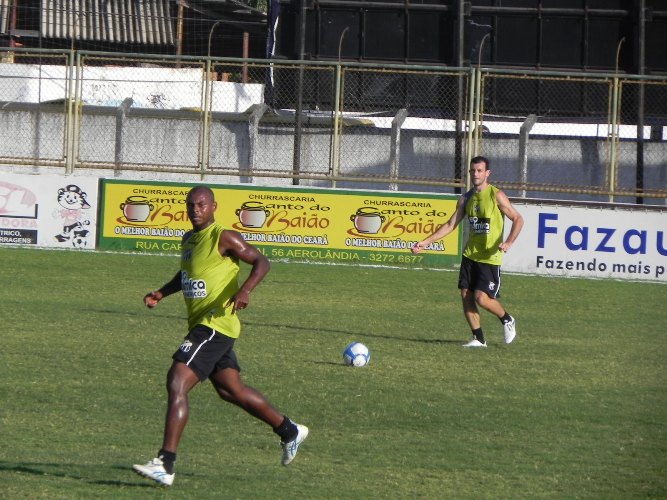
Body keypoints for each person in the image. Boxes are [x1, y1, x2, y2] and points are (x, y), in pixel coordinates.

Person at [133, 185, 308, 486]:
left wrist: (246, 289)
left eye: (201, 204)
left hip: (216, 324)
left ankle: (165, 462)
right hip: (202, 323)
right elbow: (187, 275)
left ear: (214, 207)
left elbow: (261, 262)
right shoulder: (189, 239)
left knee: (177, 380)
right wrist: (162, 292)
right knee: (230, 390)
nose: (195, 209)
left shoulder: (224, 237)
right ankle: (289, 430)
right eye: (190, 205)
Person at [411, 156, 524, 347]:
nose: (476, 174)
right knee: (466, 295)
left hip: (489, 257)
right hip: (470, 255)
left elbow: (518, 219)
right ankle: (479, 339)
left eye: (480, 170)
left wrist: (509, 242)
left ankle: (507, 319)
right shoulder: (465, 198)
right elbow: (450, 224)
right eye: (473, 171)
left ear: (487, 173)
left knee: (482, 298)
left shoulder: (496, 195)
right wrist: (426, 242)